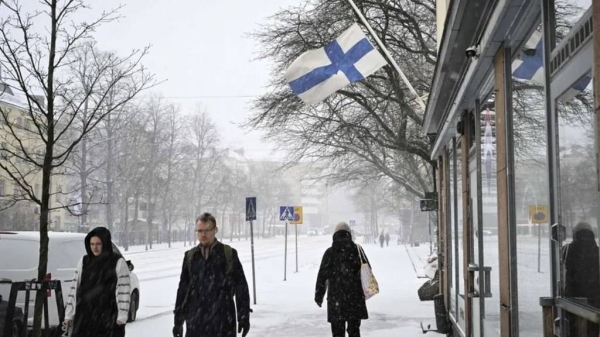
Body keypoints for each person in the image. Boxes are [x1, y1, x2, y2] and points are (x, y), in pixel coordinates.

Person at [173, 213, 251, 337]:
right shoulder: (190, 257)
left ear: (215, 230)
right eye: (199, 231)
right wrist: (178, 321)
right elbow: (183, 290)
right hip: (196, 322)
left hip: (223, 321)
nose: (203, 235)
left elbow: (241, 287)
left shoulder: (228, 254)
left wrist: (244, 316)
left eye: (207, 230)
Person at [64, 227, 131, 337]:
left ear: (105, 243)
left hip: (108, 316)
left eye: (98, 244)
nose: (95, 247)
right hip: (84, 317)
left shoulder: (118, 262)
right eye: (92, 244)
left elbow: (123, 290)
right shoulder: (84, 261)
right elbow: (74, 288)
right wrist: (69, 314)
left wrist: (122, 315)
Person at [315, 222, 370, 337]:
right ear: (349, 234)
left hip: (336, 299)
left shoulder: (329, 253)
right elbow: (367, 270)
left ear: (335, 235)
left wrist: (319, 296)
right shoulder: (357, 250)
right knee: (354, 331)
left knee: (337, 333)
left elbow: (322, 276)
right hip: (354, 299)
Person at [562, 221, 600, 336]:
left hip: (572, 300)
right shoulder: (598, 251)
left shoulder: (566, 249)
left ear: (574, 234)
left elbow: (561, 273)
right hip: (595, 301)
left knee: (574, 330)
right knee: (592, 331)